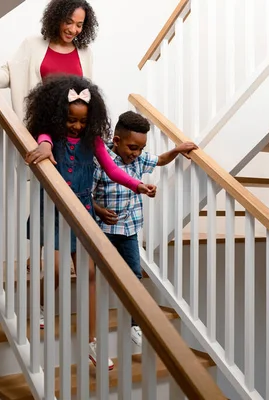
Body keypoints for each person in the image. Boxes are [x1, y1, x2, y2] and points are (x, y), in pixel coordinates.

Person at [24, 76, 156, 370]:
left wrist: (137, 186)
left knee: (91, 273)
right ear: (59, 116)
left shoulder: (93, 141)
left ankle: (91, 341)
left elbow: (112, 169)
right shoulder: (50, 136)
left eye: (82, 122)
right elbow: (43, 140)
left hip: (82, 210)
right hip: (55, 208)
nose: (76, 127)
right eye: (71, 120)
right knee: (57, 267)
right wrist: (44, 148)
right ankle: (42, 305)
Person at [92, 111, 197, 347]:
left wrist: (177, 150)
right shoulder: (101, 161)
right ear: (117, 141)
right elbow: (86, 195)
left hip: (129, 229)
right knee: (98, 278)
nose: (136, 153)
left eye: (141, 148)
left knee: (135, 275)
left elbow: (159, 160)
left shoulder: (139, 159)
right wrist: (98, 210)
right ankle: (94, 329)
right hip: (104, 231)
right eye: (132, 147)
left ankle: (133, 323)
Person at [0, 0, 98, 121]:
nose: (73, 29)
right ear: (57, 18)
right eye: (68, 22)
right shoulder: (33, 44)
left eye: (79, 25)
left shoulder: (85, 53)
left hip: (73, 129)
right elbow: (10, 73)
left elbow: (87, 93)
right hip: (41, 125)